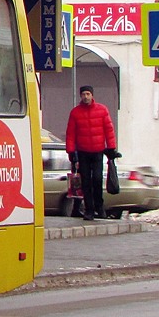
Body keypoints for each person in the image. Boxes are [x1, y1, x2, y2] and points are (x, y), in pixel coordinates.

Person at [65, 84, 119, 222]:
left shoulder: (102, 110)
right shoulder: (75, 112)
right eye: (83, 94)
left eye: (88, 94)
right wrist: (71, 151)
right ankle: (89, 209)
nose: (86, 97)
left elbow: (109, 129)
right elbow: (70, 133)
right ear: (80, 96)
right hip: (83, 152)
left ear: (92, 95)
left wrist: (111, 147)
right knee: (86, 182)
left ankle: (99, 207)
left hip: (97, 151)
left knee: (97, 179)